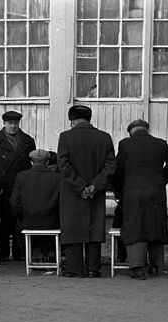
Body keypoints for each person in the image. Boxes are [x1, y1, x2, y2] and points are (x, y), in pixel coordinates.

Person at [113, 119, 168, 279]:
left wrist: (120, 189)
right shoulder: (160, 144)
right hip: (156, 192)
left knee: (135, 226)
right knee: (155, 224)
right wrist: (161, 179)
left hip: (133, 193)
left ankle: (138, 267)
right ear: (147, 130)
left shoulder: (126, 144)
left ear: (131, 131)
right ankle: (156, 265)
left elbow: (118, 170)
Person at [57, 104, 116, 277]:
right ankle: (93, 269)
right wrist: (94, 186)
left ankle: (74, 269)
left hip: (72, 192)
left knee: (73, 228)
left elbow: (63, 165)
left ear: (72, 120)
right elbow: (110, 165)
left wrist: (80, 186)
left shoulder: (65, 137)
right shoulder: (104, 138)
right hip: (96, 193)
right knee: (94, 228)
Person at [0, 110, 36, 261]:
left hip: (21, 187)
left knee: (19, 219)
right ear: (4, 124)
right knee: (1, 220)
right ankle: (1, 253)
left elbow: (30, 165)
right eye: (10, 124)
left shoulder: (28, 141)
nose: (13, 126)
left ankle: (19, 252)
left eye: (15, 123)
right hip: (1, 187)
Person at [10, 149, 61, 261]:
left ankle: (35, 256)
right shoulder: (57, 177)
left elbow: (14, 202)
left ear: (31, 162)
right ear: (47, 162)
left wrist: (19, 216)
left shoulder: (22, 176)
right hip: (51, 222)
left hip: (27, 221)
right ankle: (49, 255)